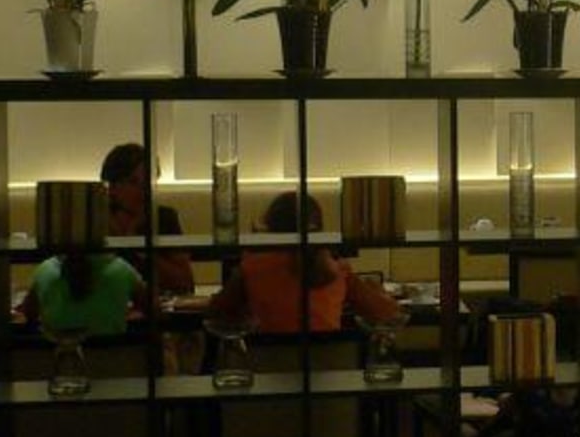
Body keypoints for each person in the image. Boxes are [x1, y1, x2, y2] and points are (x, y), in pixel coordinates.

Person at [210, 190, 402, 333]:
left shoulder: (252, 267)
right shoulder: (336, 270)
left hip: (270, 369)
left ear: (270, 228)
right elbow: (388, 314)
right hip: (330, 369)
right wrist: (378, 292)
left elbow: (215, 313)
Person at [102, 142, 195, 296]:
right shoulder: (96, 220)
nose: (143, 190)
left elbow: (185, 284)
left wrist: (140, 247)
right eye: (133, 182)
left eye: (149, 182)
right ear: (112, 187)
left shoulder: (164, 217)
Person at [21, 244, 147, 336]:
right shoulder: (121, 268)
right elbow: (151, 308)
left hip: (58, 359)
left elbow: (29, 313)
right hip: (113, 358)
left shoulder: (45, 269)